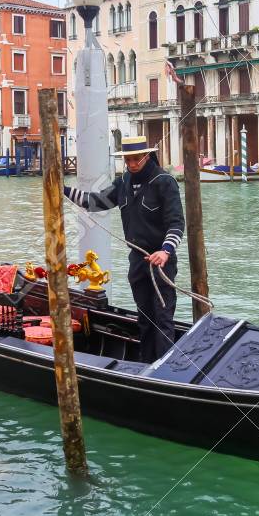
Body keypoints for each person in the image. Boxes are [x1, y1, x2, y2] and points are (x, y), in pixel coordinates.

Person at [62, 136, 185, 362]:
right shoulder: (125, 181)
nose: (131, 164)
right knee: (144, 318)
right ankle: (147, 364)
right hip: (137, 261)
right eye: (127, 160)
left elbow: (176, 223)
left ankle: (165, 368)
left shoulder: (165, 182)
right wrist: (62, 190)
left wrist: (165, 251)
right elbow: (96, 202)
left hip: (161, 262)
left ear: (147, 156)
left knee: (163, 317)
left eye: (135, 159)